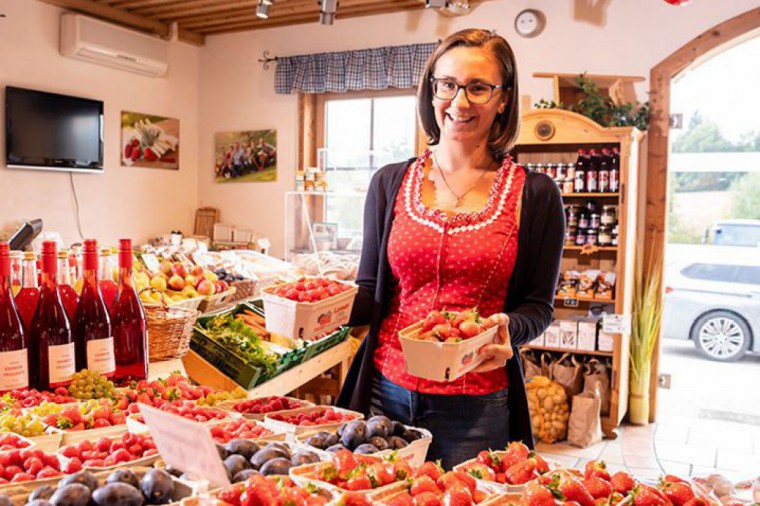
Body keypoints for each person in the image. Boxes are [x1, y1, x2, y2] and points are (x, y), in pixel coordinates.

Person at [336, 28, 565, 468]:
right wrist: (317, 305)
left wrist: (507, 331)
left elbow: (538, 307)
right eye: (448, 85)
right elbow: (370, 293)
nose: (459, 103)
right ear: (432, 90)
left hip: (477, 404)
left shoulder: (534, 195)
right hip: (387, 393)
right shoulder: (389, 182)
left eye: (478, 88)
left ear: (504, 98)